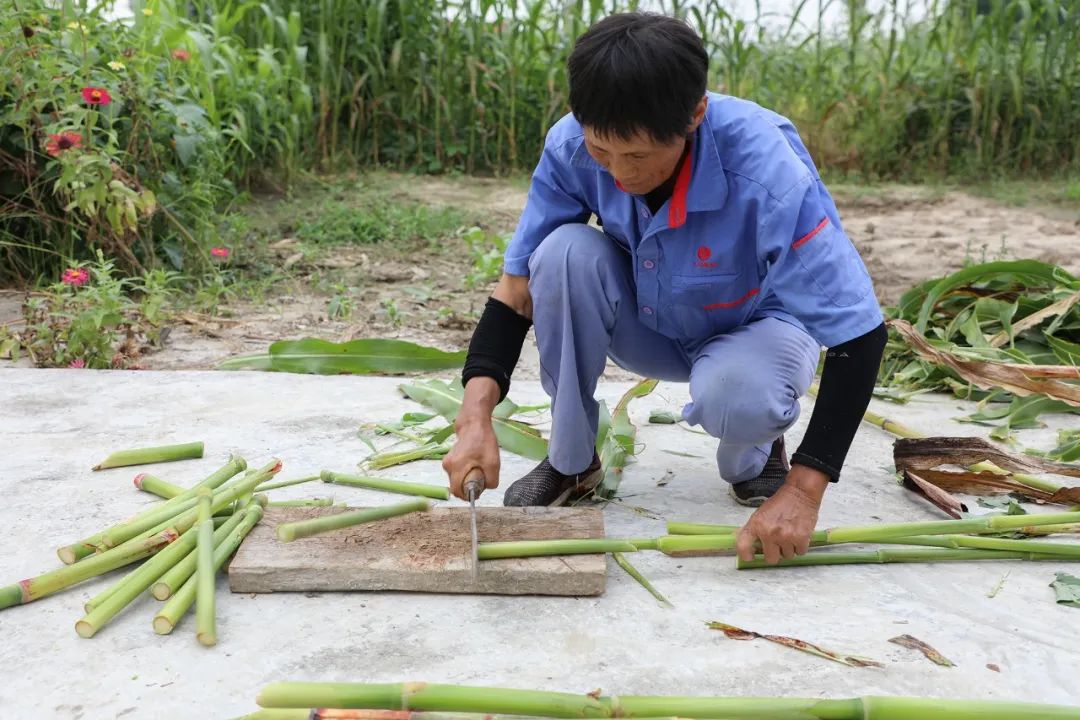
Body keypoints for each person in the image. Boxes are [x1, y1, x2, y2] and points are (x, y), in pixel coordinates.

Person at [441, 12, 887, 565]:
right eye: (602, 153)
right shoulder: (571, 146)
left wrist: (803, 490)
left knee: (738, 394)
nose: (619, 173)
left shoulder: (767, 168)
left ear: (695, 115)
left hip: (755, 323)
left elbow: (860, 334)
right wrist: (474, 417)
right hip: (651, 318)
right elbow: (516, 291)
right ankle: (573, 461)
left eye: (637, 157)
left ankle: (756, 452)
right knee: (558, 254)